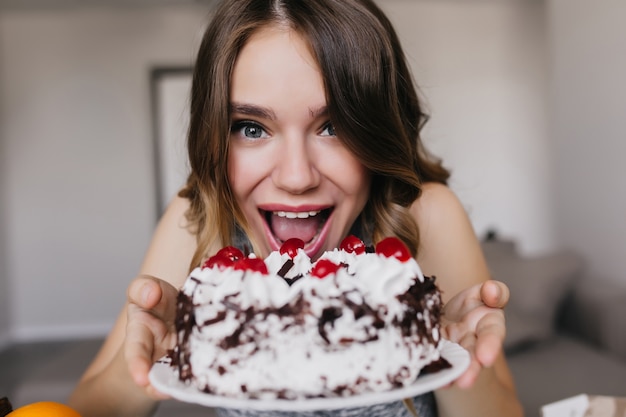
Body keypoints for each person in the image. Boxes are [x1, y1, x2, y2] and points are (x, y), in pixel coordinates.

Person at [69, 0, 523, 416]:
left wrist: (448, 350)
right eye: (250, 128)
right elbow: (84, 409)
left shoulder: (425, 217)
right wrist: (150, 360)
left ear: (376, 131)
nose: (296, 176)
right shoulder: (199, 224)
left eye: (333, 127)